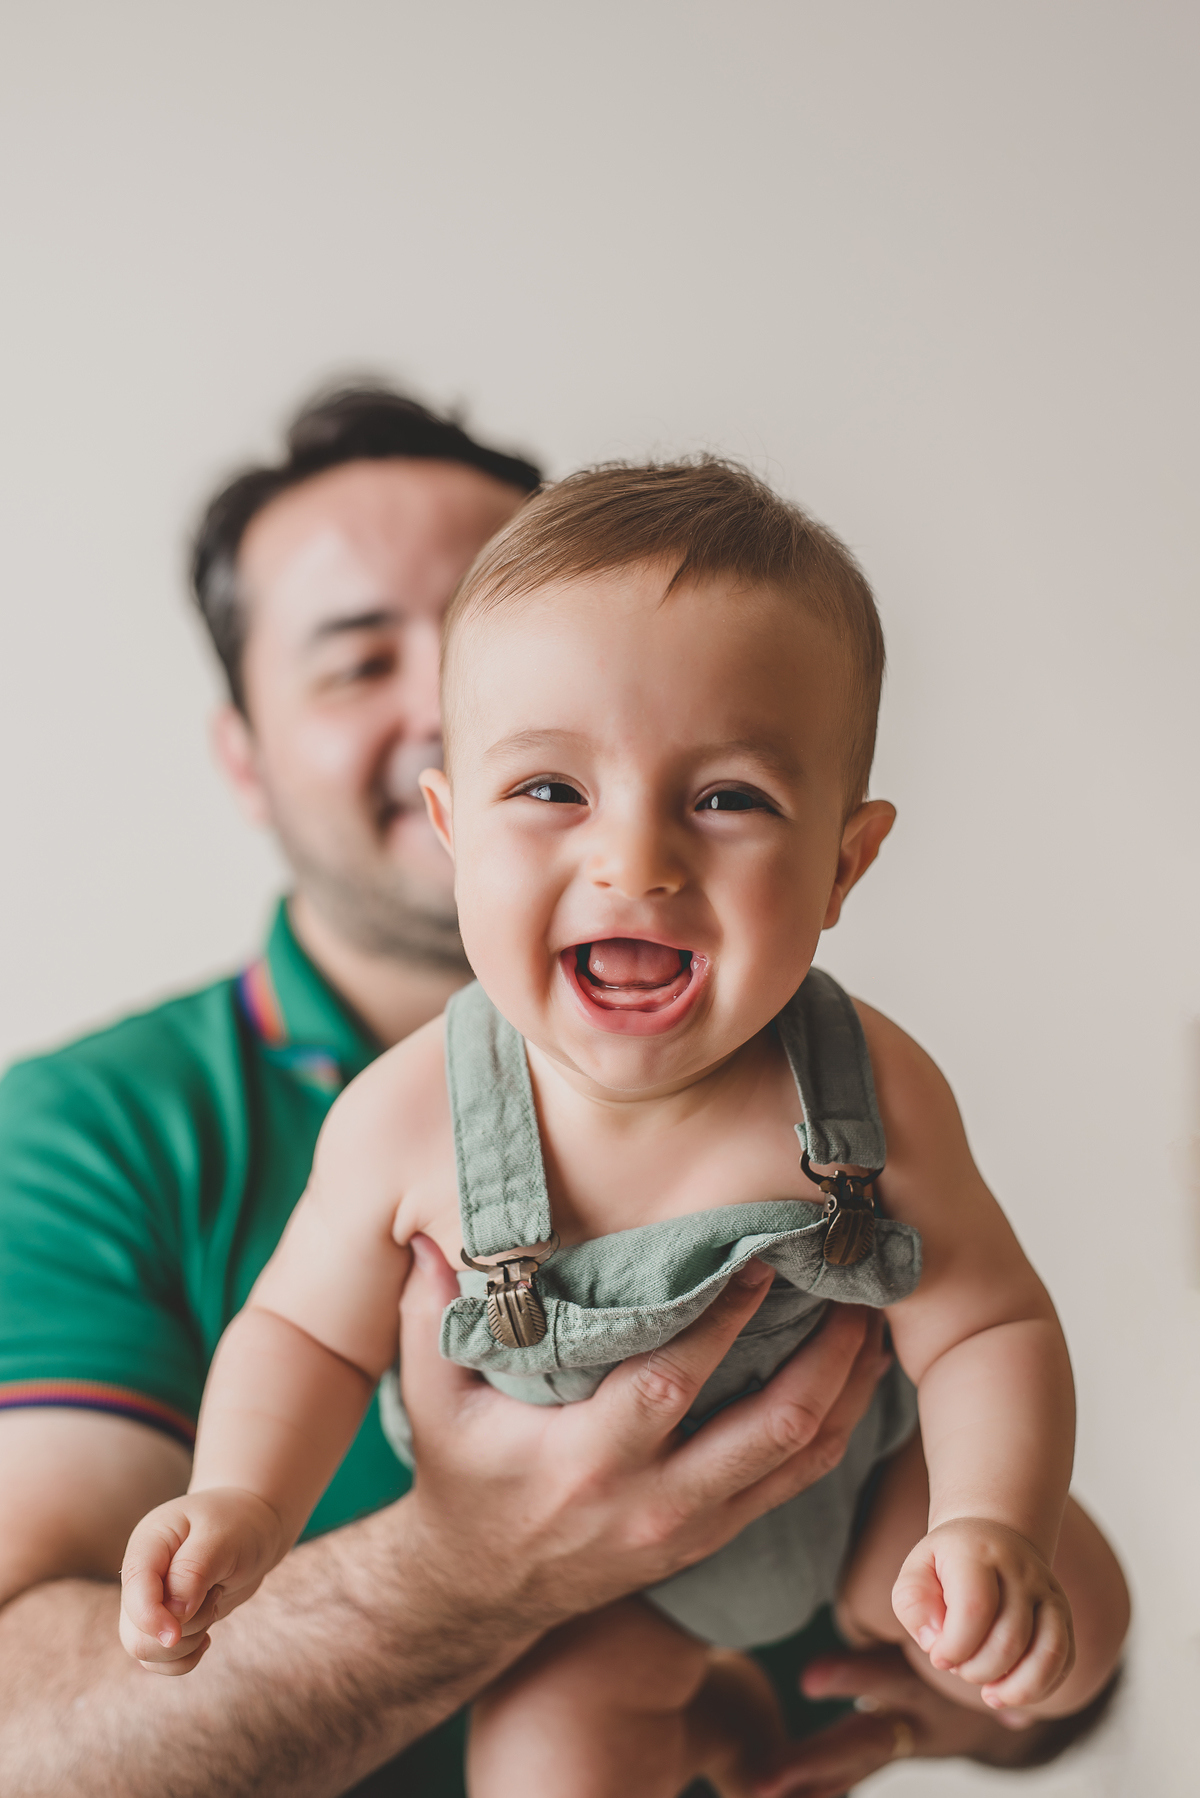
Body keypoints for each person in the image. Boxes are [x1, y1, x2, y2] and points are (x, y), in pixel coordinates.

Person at [116, 458, 1130, 1797]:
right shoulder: (410, 1115)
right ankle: (696, 1720)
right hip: (600, 1606)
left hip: (860, 1511)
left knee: (1081, 1604)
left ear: (844, 860)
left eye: (727, 798)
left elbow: (990, 1321)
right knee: (547, 1762)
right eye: (550, 790)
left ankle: (910, 1646)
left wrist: (988, 1526)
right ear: (454, 826)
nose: (636, 859)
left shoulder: (868, 1087)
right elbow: (303, 1330)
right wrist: (243, 1500)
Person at [0, 387, 902, 1798]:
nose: (432, 705)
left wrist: (987, 1644)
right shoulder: (85, 1133)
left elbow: (986, 1401)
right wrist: (463, 1569)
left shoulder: (824, 1072)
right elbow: (25, 1741)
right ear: (243, 754)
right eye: (358, 662)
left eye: (480, 635)